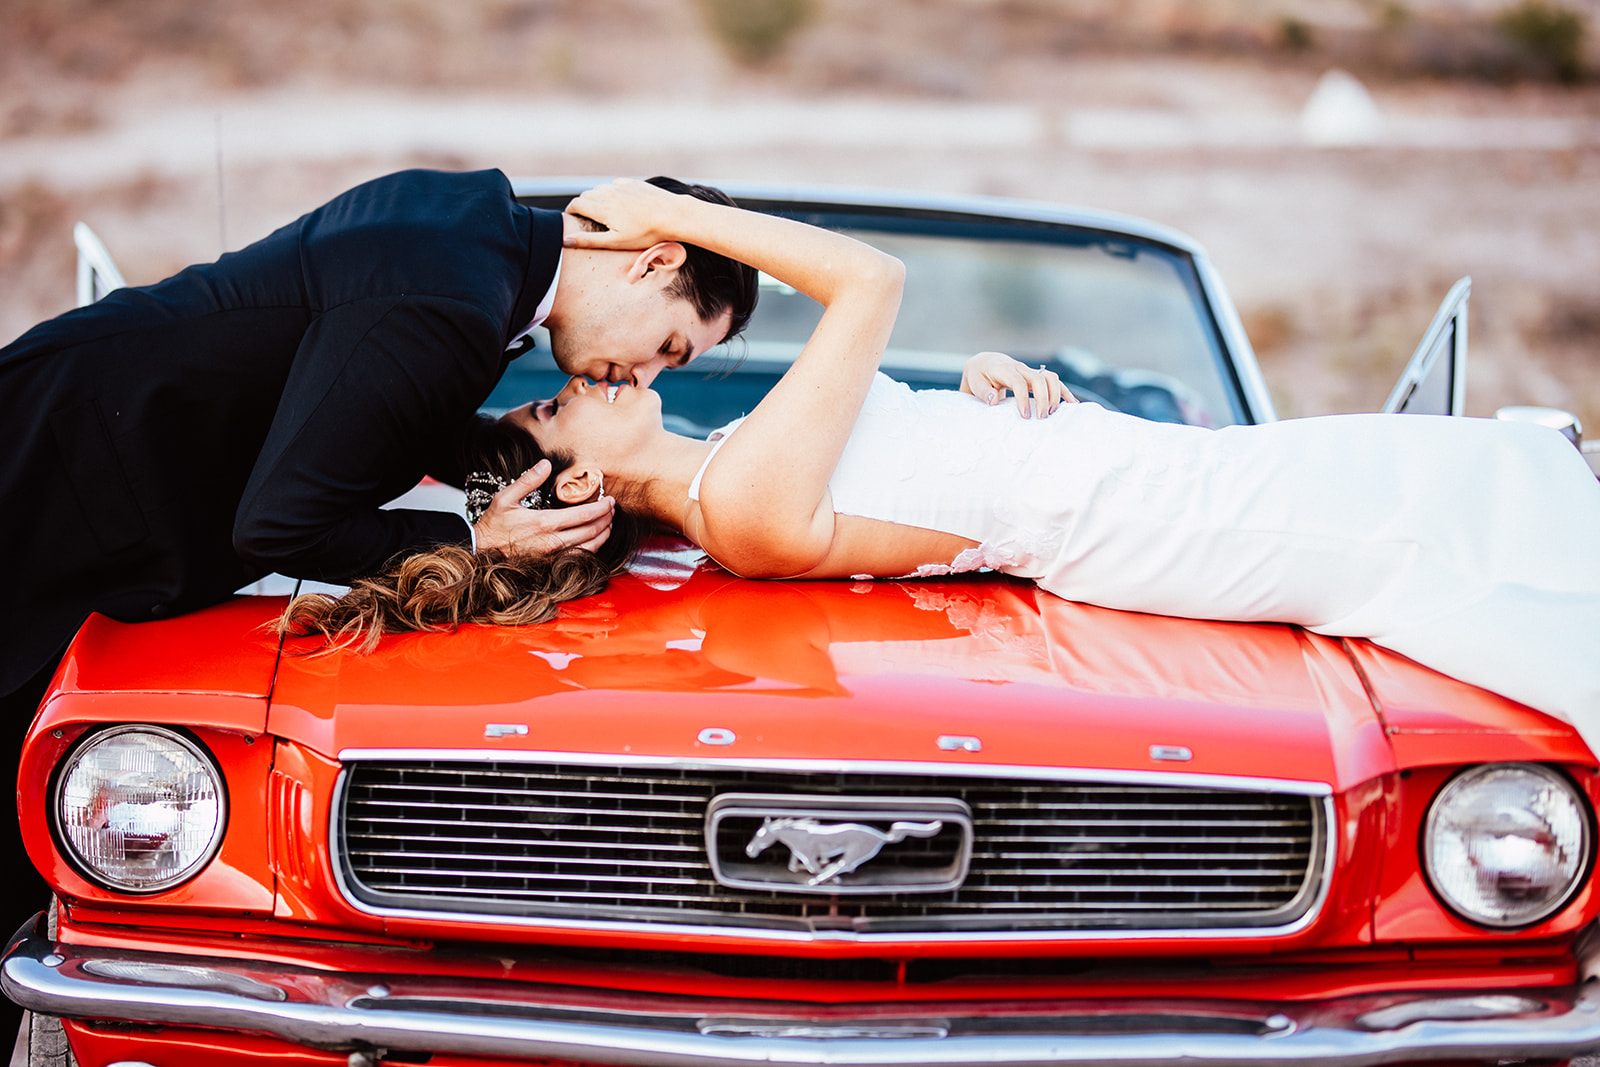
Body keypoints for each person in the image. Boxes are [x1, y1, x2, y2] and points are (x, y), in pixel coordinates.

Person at [283, 177, 1600, 752]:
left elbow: (899, 433)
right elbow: (871, 280)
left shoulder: (746, 458)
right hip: (1163, 518)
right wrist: (659, 211)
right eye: (558, 411)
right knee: (1473, 550)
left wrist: (976, 393)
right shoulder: (740, 511)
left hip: (1155, 473)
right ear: (579, 487)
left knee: (1490, 507)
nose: (586, 379)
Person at [0, 169, 756, 1031]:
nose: (644, 377)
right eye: (669, 346)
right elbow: (281, 523)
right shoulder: (454, 302)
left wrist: (569, 491)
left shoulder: (474, 231)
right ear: (654, 262)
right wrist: (476, 543)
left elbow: (387, 405)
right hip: (50, 496)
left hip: (67, 442)